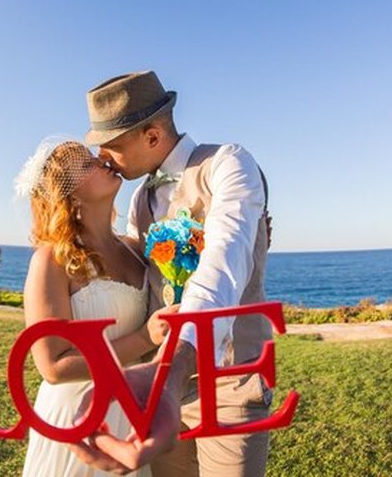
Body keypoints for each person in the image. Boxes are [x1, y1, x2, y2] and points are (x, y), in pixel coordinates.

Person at [68, 71, 273, 476]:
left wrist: (171, 369)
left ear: (152, 136)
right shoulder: (139, 199)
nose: (103, 157)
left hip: (230, 382)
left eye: (111, 146)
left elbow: (222, 264)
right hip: (159, 386)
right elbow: (134, 271)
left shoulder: (227, 165)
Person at [16, 138, 176, 477]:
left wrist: (254, 244)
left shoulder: (136, 249)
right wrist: (145, 338)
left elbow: (183, 283)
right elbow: (53, 366)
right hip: (77, 416)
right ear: (70, 193)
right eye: (87, 164)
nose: (102, 158)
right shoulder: (53, 259)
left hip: (130, 414)